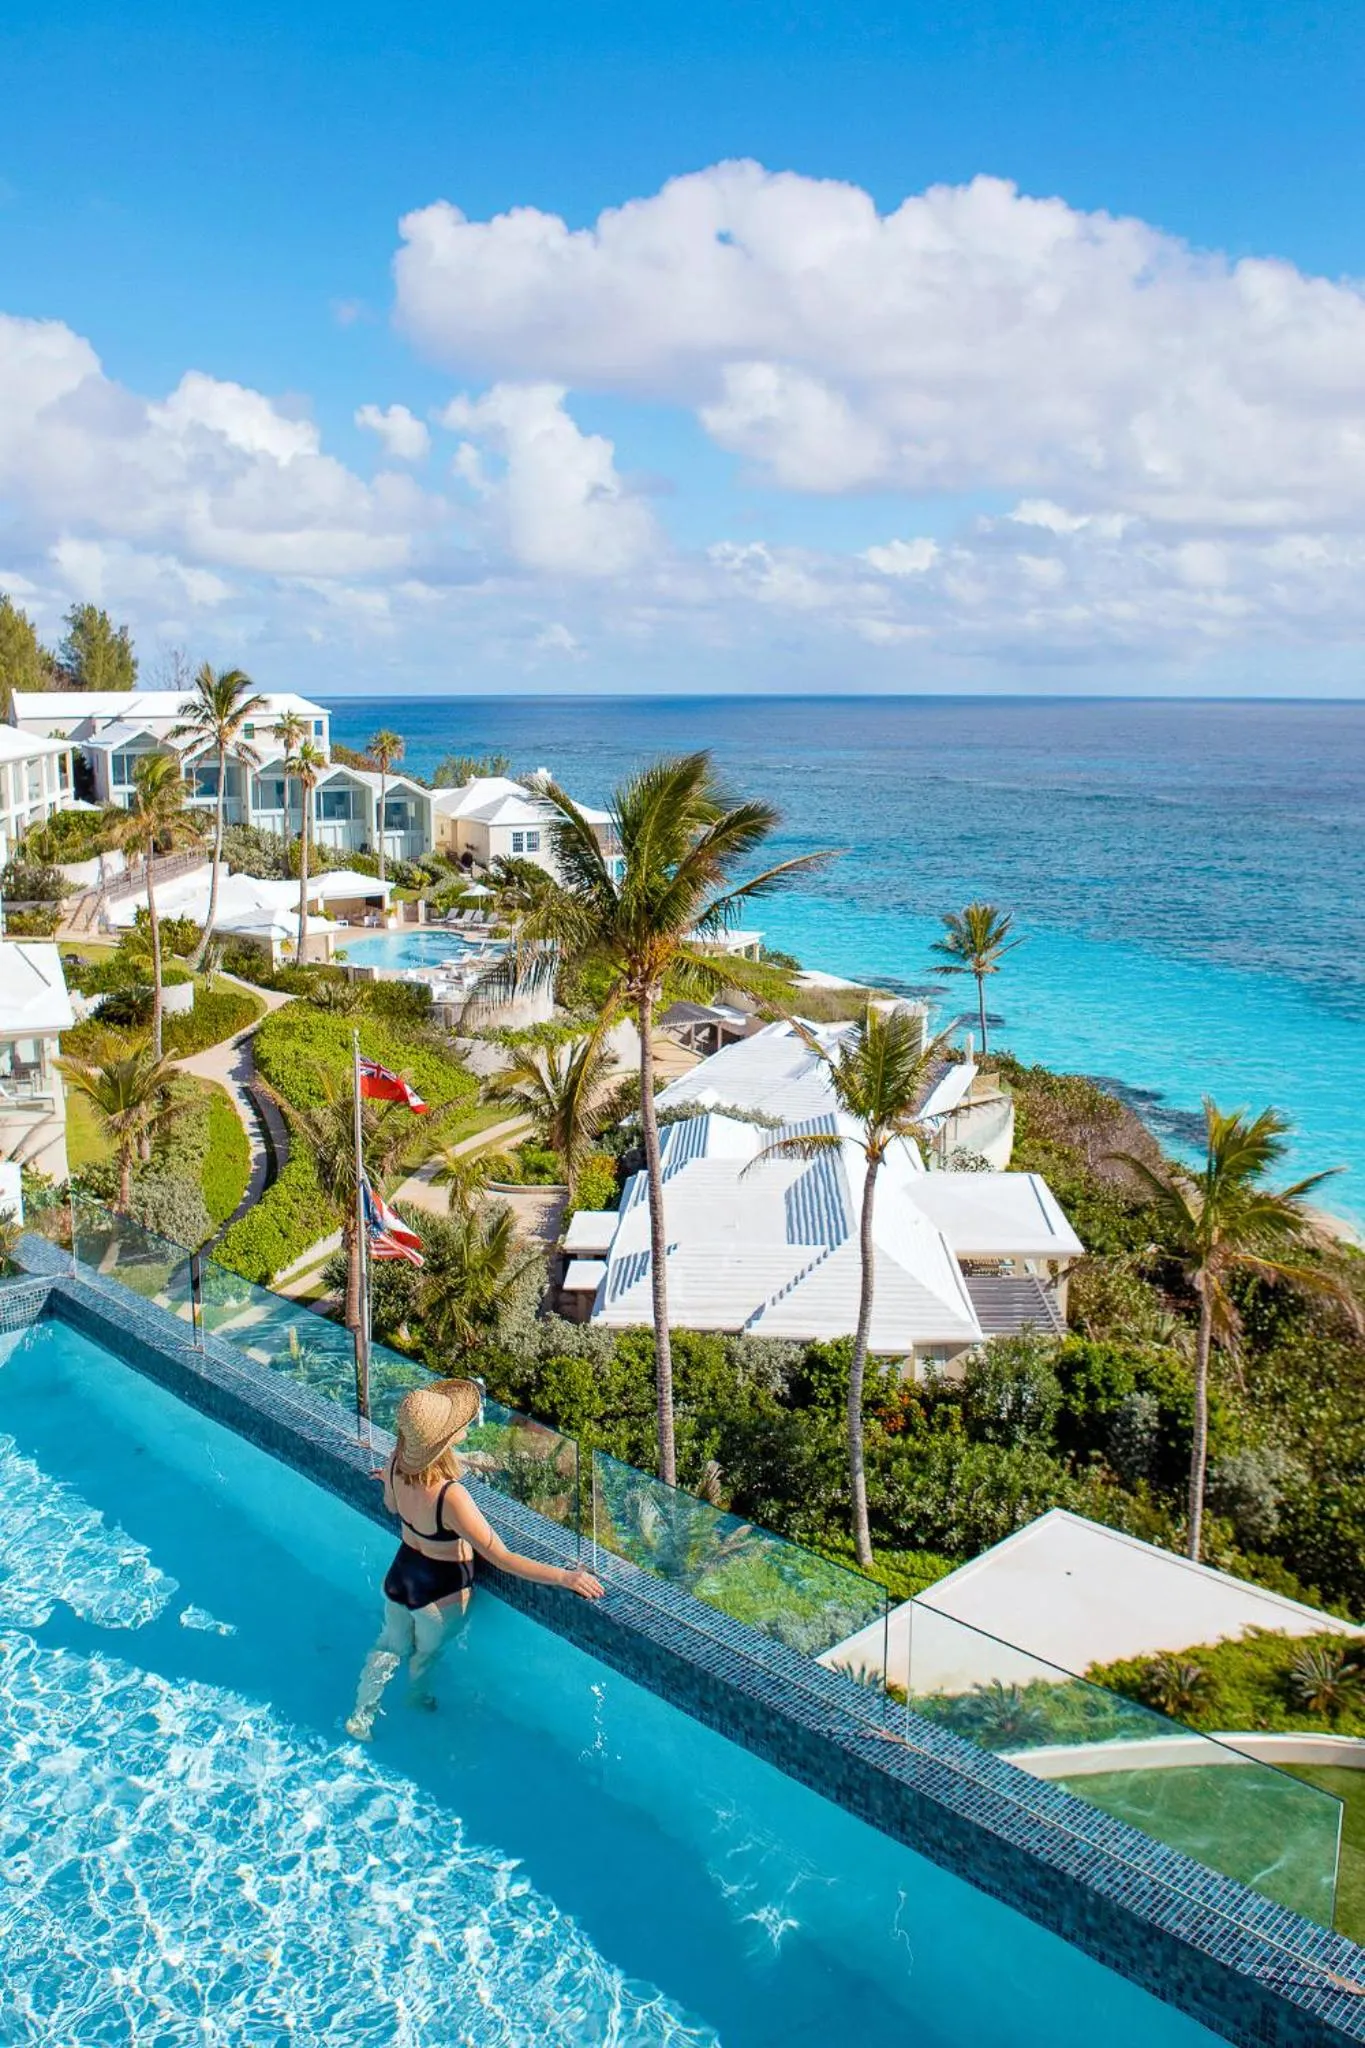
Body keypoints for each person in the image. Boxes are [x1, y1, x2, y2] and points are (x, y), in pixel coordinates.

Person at [346, 1377, 602, 1739]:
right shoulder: (451, 1497)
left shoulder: (394, 1463)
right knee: (424, 1658)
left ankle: (361, 1713)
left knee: (388, 1646)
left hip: (400, 1575)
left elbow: (391, 1506)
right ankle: (416, 1700)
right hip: (439, 1592)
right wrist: (563, 1577)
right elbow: (502, 1557)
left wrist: (387, 1482)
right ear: (446, 1440)